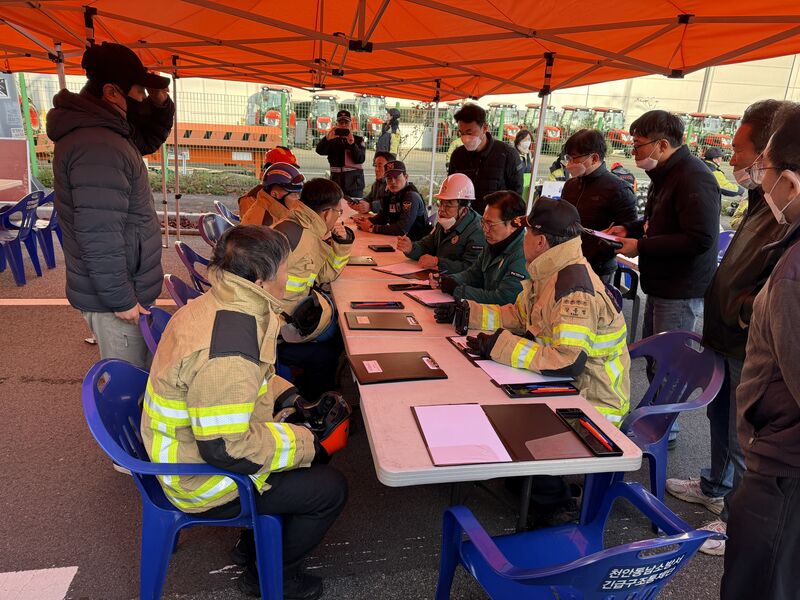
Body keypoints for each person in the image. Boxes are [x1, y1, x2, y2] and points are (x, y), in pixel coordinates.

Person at [141, 225, 347, 599]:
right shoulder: (229, 352)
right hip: (200, 478)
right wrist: (307, 444)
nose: (290, 277)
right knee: (329, 489)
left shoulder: (222, 304)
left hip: (188, 446)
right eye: (286, 269)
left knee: (309, 454)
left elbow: (256, 380)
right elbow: (226, 448)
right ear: (261, 279)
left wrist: (293, 400)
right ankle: (269, 577)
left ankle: (250, 545)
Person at [665, 100, 793, 557]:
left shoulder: (785, 206)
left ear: (768, 155)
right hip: (726, 332)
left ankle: (734, 517)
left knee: (745, 431)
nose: (732, 158)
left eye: (741, 150)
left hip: (748, 340)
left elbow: (778, 287)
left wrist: (742, 310)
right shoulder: (762, 200)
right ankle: (715, 486)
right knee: (720, 417)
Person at [450, 197, 630, 422]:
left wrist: (501, 346)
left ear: (541, 242)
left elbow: (567, 361)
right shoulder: (550, 272)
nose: (523, 237)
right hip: (563, 388)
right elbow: (519, 316)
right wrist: (468, 312)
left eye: (527, 232)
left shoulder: (574, 291)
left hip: (593, 410)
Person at [47, 42, 168, 370]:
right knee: (129, 376)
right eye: (140, 91)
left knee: (138, 370)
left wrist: (160, 106)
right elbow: (99, 234)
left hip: (123, 285)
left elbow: (146, 140)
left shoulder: (106, 131)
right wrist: (121, 299)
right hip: (118, 296)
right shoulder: (98, 145)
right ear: (112, 92)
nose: (143, 99)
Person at [721, 106, 800, 600]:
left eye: (763, 168)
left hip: (783, 474)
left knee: (761, 583)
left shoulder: (795, 272)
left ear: (789, 182)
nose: (759, 179)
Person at [607, 110, 720, 448]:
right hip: (660, 283)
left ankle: (665, 429)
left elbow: (700, 238)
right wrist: (630, 228)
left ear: (662, 144)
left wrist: (640, 246)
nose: (634, 152)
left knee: (670, 364)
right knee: (657, 357)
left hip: (680, 288)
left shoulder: (694, 177)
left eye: (639, 145)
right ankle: (653, 419)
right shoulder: (666, 174)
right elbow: (658, 220)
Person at [273, 178, 354, 399]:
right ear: (327, 213)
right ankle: (313, 402)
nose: (338, 217)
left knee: (337, 331)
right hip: (277, 333)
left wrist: (341, 243)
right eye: (339, 212)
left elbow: (323, 274)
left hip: (281, 321)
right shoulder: (304, 239)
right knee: (333, 345)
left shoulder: (296, 226)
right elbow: (326, 275)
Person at [560, 129, 638, 283]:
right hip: (566, 262)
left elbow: (627, 233)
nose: (569, 164)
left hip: (598, 269)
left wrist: (594, 251)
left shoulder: (618, 189)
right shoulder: (570, 185)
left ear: (594, 158)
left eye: (574, 159)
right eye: (568, 158)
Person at [433, 191, 527, 305]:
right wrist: (448, 280)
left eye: (490, 224)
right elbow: (473, 274)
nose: (485, 230)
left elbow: (503, 299)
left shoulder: (523, 254)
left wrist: (457, 290)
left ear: (514, 225)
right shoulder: (494, 242)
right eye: (483, 222)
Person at [397, 173, 485, 273]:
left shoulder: (478, 230)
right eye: (441, 203)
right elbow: (427, 245)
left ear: (464, 210)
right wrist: (411, 248)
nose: (441, 210)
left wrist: (438, 263)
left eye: (448, 205)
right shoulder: (444, 223)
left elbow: (472, 269)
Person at [448, 103, 523, 214]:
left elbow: (516, 196)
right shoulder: (458, 155)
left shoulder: (507, 154)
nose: (465, 138)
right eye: (461, 133)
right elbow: (451, 189)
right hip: (465, 220)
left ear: (485, 128)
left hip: (494, 221)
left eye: (469, 132)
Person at [352, 160, 431, 240]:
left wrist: (372, 228)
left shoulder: (411, 196)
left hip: (416, 243)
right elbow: (383, 217)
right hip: (399, 240)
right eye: (389, 178)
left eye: (396, 177)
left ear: (406, 177)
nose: (393, 182)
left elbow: (401, 229)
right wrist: (366, 221)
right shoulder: (389, 194)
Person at [315, 109, 366, 198]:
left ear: (350, 124)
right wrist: (326, 139)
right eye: (341, 122)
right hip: (336, 183)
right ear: (337, 124)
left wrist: (352, 144)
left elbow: (360, 159)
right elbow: (320, 151)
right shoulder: (332, 139)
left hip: (354, 185)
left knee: (355, 205)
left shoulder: (358, 140)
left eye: (346, 122)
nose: (343, 125)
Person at [239, 162, 305, 227]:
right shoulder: (265, 222)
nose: (298, 199)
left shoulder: (276, 213)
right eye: (294, 195)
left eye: (299, 194)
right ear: (275, 194)